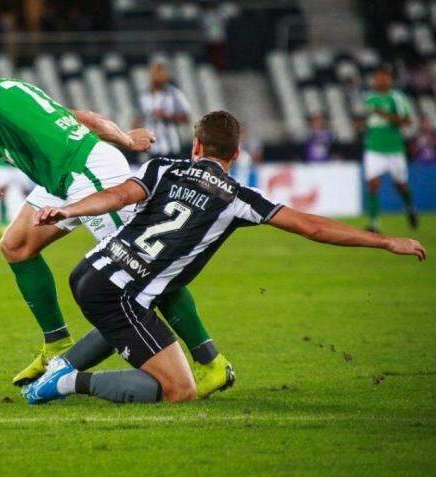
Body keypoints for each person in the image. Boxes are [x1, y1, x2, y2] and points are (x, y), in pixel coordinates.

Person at [23, 110, 426, 405]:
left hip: (90, 271)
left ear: (196, 146)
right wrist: (385, 242)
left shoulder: (163, 168)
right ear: (236, 154)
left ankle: (62, 367)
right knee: (179, 390)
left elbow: (116, 196)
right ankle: (67, 382)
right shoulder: (237, 199)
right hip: (119, 293)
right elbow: (312, 227)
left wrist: (71, 209)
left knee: (131, 327)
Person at [0, 59, 232, 398]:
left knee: (140, 266)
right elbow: (79, 116)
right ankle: (57, 343)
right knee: (15, 246)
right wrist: (125, 141)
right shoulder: (1, 88)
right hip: (65, 176)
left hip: (89, 175)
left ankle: (211, 362)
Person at [360, 65, 418, 232]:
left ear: (390, 79)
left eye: (384, 77)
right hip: (373, 147)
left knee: (401, 186)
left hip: (394, 149)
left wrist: (383, 114)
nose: (380, 80)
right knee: (372, 184)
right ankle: (374, 224)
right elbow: (365, 120)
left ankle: (410, 208)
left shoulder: (396, 98)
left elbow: (406, 122)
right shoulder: (369, 98)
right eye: (378, 76)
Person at [134, 61, 191, 158]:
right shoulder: (143, 96)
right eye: (155, 73)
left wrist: (167, 116)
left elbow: (186, 118)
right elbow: (139, 119)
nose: (158, 77)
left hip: (173, 148)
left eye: (161, 73)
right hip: (152, 150)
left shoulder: (175, 94)